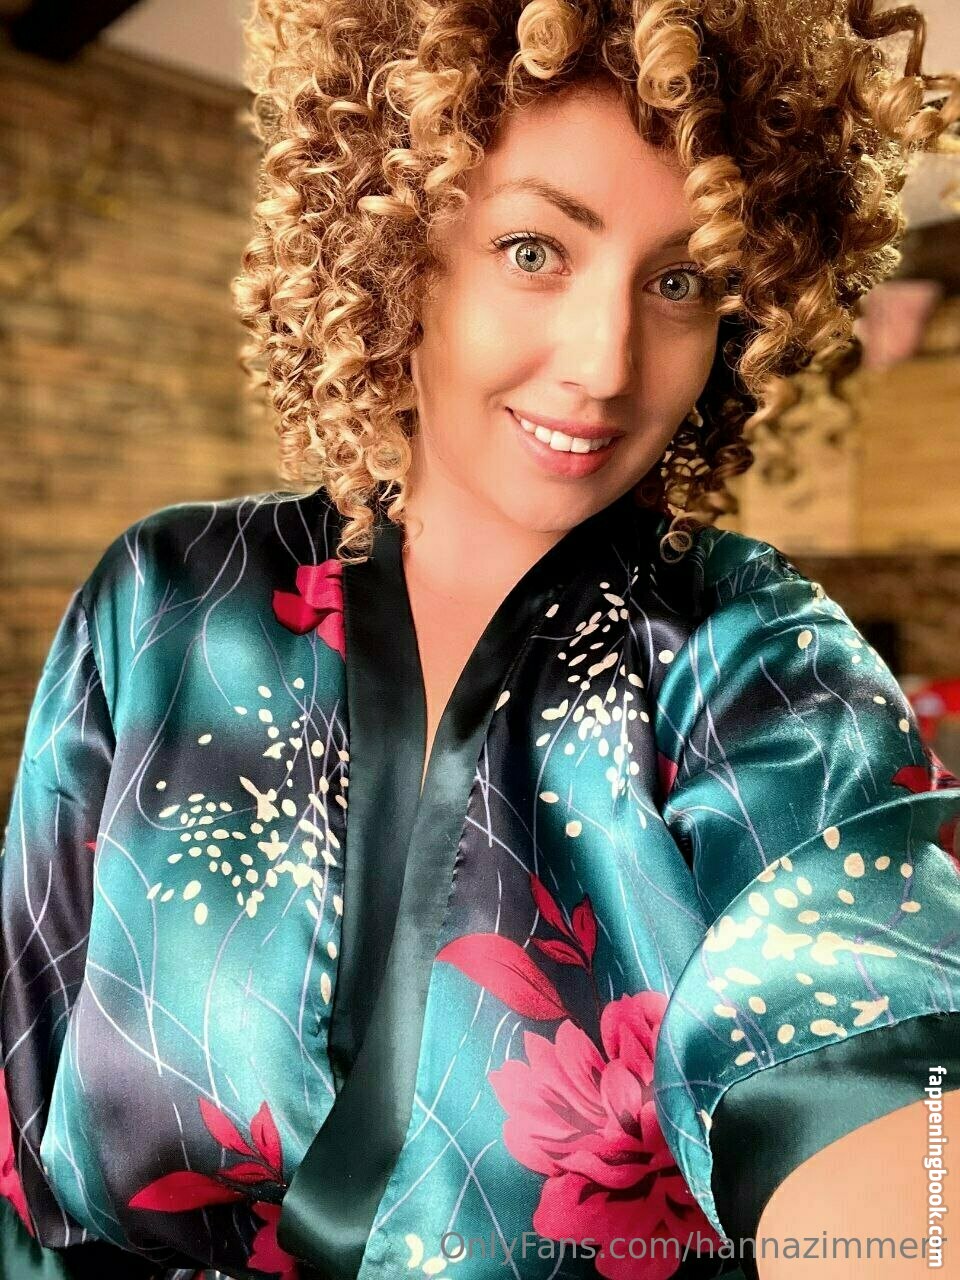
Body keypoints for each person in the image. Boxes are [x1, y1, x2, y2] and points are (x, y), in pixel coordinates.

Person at [2, 1, 959, 1278]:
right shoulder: (165, 601)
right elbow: (23, 1121)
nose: (606, 364)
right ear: (397, 241)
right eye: (534, 250)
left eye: (680, 281)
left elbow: (878, 1070)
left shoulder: (758, 662)